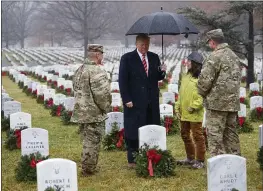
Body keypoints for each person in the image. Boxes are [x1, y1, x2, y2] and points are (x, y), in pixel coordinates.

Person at [118, 34, 166, 168]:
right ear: (136, 44)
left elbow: (155, 77)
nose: (145, 47)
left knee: (150, 126)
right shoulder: (127, 58)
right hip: (134, 101)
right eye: (142, 44)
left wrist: (162, 71)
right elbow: (122, 80)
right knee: (133, 129)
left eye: (147, 44)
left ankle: (151, 155)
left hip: (151, 101)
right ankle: (132, 159)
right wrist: (126, 98)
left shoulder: (154, 57)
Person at [197, 29, 241, 157]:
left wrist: (202, 92)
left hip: (216, 104)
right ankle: (235, 162)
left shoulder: (214, 57)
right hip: (232, 103)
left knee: (215, 135)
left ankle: (219, 167)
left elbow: (205, 81)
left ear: (213, 41)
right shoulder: (234, 56)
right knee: (231, 134)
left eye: (209, 41)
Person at [71, 44, 111, 176]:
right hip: (93, 112)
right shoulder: (97, 70)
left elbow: (75, 87)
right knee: (93, 140)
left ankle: (87, 165)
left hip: (81, 111)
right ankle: (88, 169)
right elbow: (102, 94)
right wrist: (106, 108)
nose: (102, 57)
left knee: (87, 139)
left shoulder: (80, 69)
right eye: (102, 55)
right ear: (98, 55)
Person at [175, 52, 206, 169]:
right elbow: (181, 93)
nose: (187, 63)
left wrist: (193, 106)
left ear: (195, 64)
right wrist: (177, 106)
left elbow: (202, 96)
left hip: (194, 113)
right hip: (184, 113)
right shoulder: (185, 76)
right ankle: (190, 158)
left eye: (189, 61)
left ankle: (200, 160)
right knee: (184, 135)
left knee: (198, 136)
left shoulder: (201, 79)